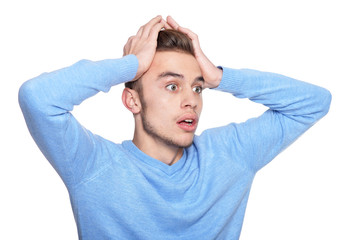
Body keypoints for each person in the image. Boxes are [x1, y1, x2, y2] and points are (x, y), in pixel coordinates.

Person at [18, 15, 331, 239]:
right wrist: (132, 66)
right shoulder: (92, 166)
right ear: (132, 101)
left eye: (197, 88)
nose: (191, 101)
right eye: (171, 86)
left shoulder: (228, 155)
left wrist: (220, 77)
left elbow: (315, 102)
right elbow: (38, 98)